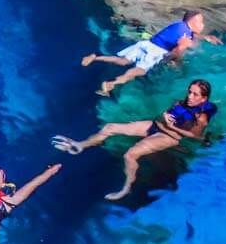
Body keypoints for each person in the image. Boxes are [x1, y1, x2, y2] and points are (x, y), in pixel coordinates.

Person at [52, 79, 217, 201]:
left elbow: (193, 135)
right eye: (189, 91)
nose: (189, 96)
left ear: (204, 99)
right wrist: (163, 120)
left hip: (170, 136)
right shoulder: (182, 102)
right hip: (156, 125)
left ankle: (126, 188)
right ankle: (82, 144)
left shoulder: (200, 116)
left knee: (130, 155)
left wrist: (170, 126)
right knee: (110, 127)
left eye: (195, 94)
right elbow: (165, 117)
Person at [82, 11, 222, 96]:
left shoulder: (179, 24)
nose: (203, 26)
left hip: (146, 44)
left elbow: (189, 35)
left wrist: (206, 37)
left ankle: (96, 57)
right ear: (193, 22)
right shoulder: (185, 37)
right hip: (156, 52)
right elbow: (177, 51)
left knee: (123, 60)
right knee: (139, 71)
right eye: (201, 23)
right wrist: (176, 63)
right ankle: (111, 84)